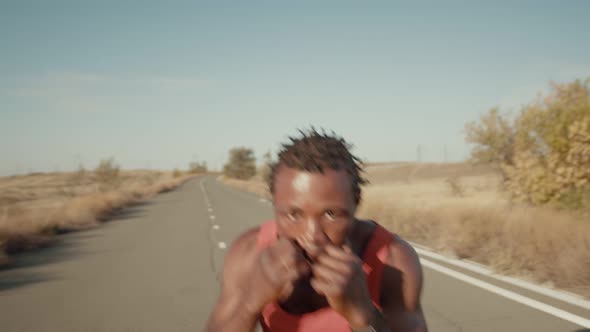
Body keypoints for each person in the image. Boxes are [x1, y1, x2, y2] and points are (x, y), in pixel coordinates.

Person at [206, 129, 428, 332]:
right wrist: (249, 304)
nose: (312, 237)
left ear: (355, 205)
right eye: (294, 215)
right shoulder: (250, 253)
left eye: (331, 214)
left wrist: (363, 318)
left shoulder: (392, 261)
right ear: (274, 204)